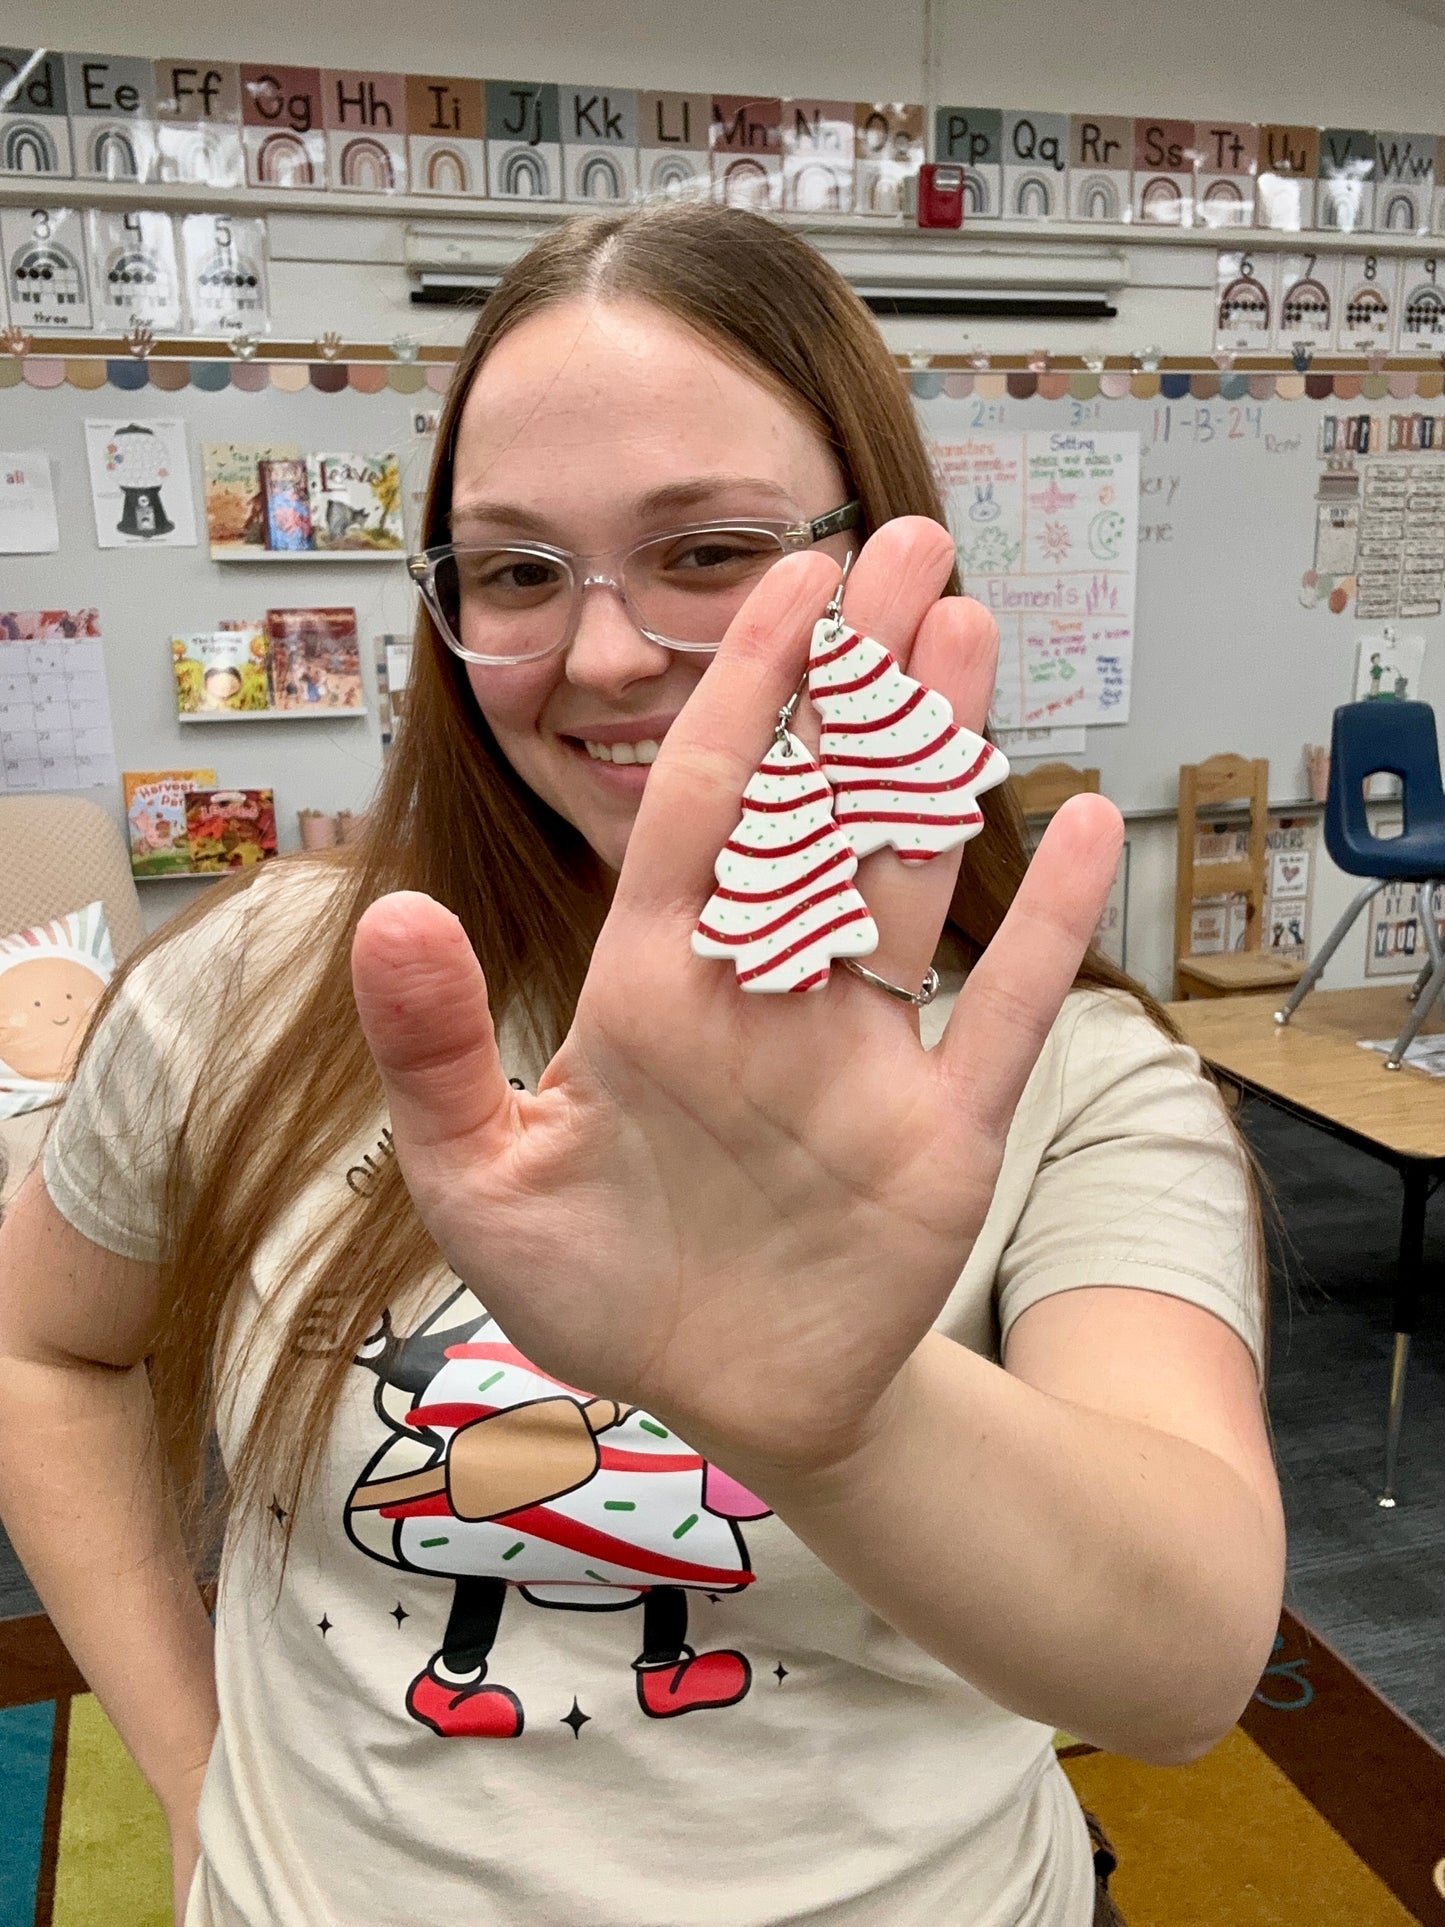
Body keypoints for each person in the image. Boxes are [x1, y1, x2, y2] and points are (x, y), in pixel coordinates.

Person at [0, 203, 1284, 1927]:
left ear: (876, 548)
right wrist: (192, 1761)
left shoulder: (1057, 1072)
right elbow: (43, 1348)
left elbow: (1187, 1666)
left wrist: (841, 1420)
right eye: (519, 572)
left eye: (707, 550)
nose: (602, 652)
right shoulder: (272, 983)